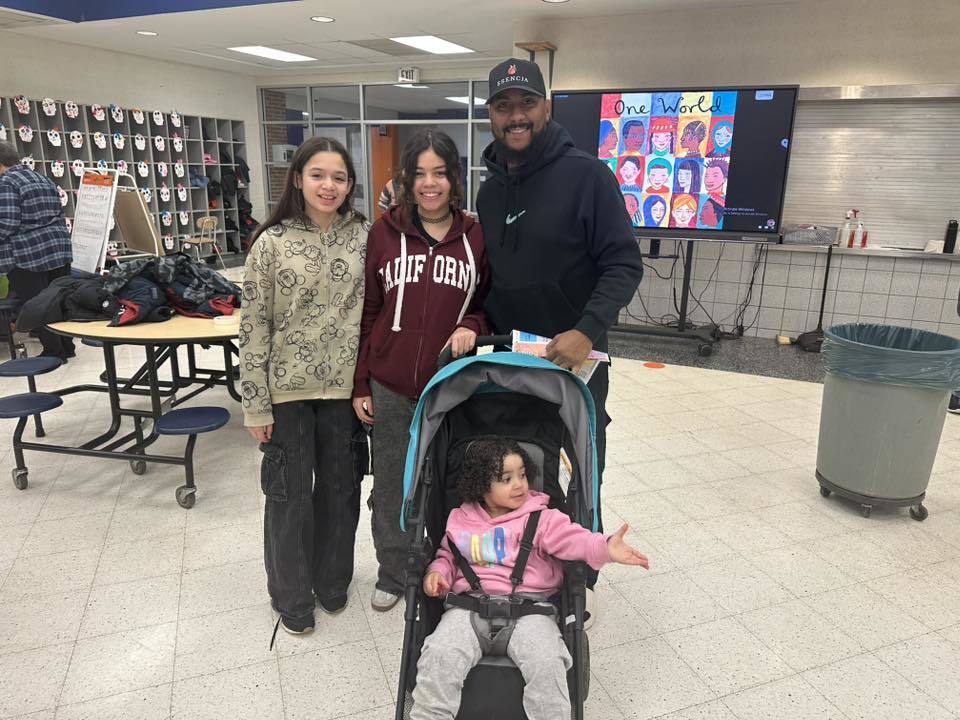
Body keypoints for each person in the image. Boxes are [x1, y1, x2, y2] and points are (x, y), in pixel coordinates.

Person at [476, 58, 644, 594]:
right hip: (512, 362)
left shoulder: (588, 177)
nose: (516, 116)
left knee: (579, 473)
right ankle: (515, 574)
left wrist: (587, 330)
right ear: (491, 117)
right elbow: (494, 278)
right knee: (516, 473)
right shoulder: (490, 191)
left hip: (578, 363)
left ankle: (576, 583)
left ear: (546, 108)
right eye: (504, 107)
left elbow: (623, 263)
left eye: (526, 103)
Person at [411, 437, 649, 720]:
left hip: (531, 609)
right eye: (506, 478)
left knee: (548, 661)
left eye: (523, 475)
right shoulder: (460, 519)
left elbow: (575, 540)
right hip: (468, 607)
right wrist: (438, 573)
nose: (519, 484)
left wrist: (605, 547)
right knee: (439, 654)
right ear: (480, 484)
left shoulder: (541, 518)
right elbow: (447, 554)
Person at [353, 129, 490, 612]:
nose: (429, 184)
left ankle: (450, 566)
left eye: (439, 173)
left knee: (453, 483)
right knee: (393, 483)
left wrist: (471, 323)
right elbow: (369, 311)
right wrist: (360, 382)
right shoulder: (384, 233)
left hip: (451, 387)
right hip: (389, 387)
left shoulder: (475, 234)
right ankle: (395, 571)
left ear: (454, 178)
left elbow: (488, 304)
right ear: (405, 181)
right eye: (418, 174)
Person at [240, 136, 369, 638]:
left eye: (339, 177)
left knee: (341, 490)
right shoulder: (270, 243)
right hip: (285, 393)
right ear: (297, 178)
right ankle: (292, 596)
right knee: (290, 497)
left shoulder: (364, 237)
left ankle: (333, 581)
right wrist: (255, 405)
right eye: (318, 175)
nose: (328, 186)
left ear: (350, 184)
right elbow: (253, 328)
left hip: (343, 393)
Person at [0, 141, 74, 360]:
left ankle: (53, 352)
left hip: (28, 255)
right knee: (58, 299)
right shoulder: (41, 177)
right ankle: (67, 347)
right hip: (57, 248)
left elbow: (6, 222)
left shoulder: (6, 182)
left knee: (38, 304)